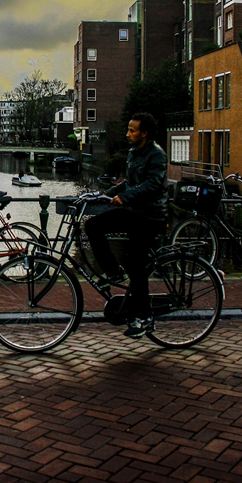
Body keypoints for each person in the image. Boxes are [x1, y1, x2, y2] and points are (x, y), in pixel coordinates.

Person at [84, 112, 168, 338]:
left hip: (150, 215)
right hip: (133, 212)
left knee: (135, 263)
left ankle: (146, 317)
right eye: (128, 129)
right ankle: (112, 271)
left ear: (144, 133)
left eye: (132, 130)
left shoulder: (156, 155)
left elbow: (153, 184)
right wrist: (105, 195)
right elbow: (128, 182)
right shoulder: (133, 153)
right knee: (93, 226)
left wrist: (127, 197)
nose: (127, 134)